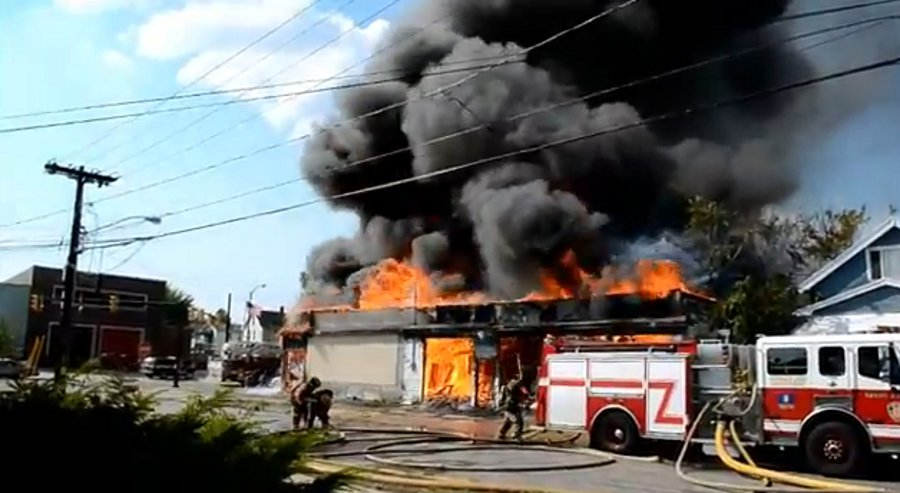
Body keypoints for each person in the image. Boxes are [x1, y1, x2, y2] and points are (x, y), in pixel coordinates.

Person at [497, 376, 530, 441]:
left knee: (508, 421)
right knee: (517, 421)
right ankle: (516, 435)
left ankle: (501, 433)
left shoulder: (509, 385)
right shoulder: (515, 384)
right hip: (511, 406)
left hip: (510, 406)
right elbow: (524, 393)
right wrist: (526, 397)